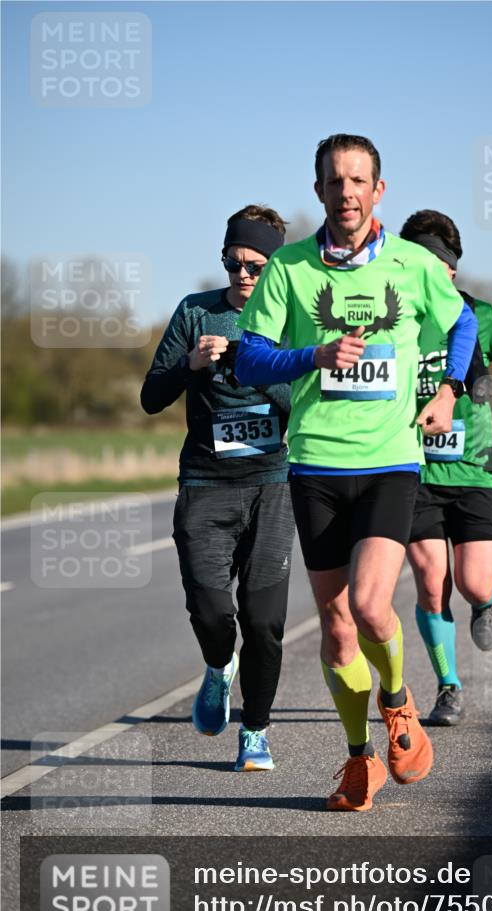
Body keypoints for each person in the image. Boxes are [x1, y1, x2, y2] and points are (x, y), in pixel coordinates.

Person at [233, 134, 478, 811]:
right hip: (314, 464)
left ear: (378, 191)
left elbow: (461, 323)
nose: (345, 192)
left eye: (357, 180)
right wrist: (312, 356)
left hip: (389, 461)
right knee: (337, 628)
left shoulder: (408, 262)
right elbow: (249, 359)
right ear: (318, 192)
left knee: (372, 607)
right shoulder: (287, 269)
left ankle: (396, 702)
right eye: (334, 181)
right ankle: (357, 760)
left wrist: (449, 388)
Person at [140, 205, 294, 771]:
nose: (243, 276)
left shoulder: (296, 319)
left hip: (272, 484)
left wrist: (259, 371)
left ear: (276, 266)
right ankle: (217, 665)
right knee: (211, 611)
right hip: (205, 483)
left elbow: (307, 405)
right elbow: (152, 397)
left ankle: (255, 731)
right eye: (233, 263)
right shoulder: (195, 312)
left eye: (255, 265)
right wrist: (191, 364)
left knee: (264, 621)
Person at [400, 210, 492, 725]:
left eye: (434, 264)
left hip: (474, 471)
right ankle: (448, 686)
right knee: (432, 582)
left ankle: (486, 600)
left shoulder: (481, 317)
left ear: (451, 267)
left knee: (473, 583)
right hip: (415, 474)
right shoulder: (398, 322)